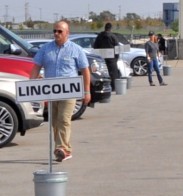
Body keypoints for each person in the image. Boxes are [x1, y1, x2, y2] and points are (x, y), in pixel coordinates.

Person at [29, 20, 91, 162]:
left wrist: (87, 91)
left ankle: (62, 148)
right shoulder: (45, 49)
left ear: (67, 33)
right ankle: (63, 150)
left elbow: (85, 70)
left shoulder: (76, 49)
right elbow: (36, 67)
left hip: (69, 91)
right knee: (54, 121)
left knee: (64, 119)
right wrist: (30, 86)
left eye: (59, 31)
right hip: (51, 91)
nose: (56, 34)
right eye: (54, 31)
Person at [92, 22, 119, 91]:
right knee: (113, 73)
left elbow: (95, 47)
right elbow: (117, 48)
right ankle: (114, 87)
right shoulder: (113, 36)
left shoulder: (99, 36)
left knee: (101, 73)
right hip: (111, 58)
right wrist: (116, 58)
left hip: (101, 58)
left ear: (105, 28)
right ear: (110, 28)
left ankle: (102, 87)